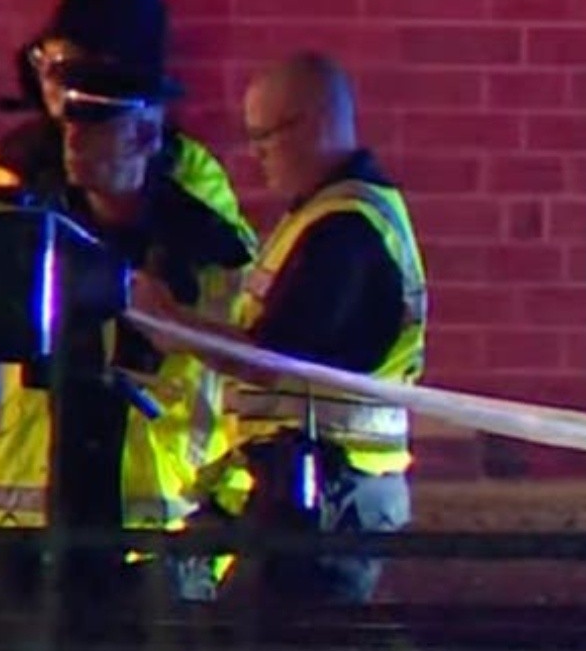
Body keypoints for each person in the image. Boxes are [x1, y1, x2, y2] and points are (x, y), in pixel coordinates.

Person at [0, 0, 254, 605]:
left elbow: (237, 362)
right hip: (8, 535)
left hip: (150, 534)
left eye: (85, 79)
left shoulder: (194, 200)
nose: (63, 96)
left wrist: (227, 505)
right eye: (53, 69)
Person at [133, 51, 427, 605]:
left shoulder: (344, 227)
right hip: (322, 484)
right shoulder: (330, 214)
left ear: (313, 123)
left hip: (329, 492)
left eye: (265, 136)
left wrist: (171, 324)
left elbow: (273, 359)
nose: (256, 155)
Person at [0, 0, 251, 254]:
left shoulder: (190, 172)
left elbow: (231, 286)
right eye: (43, 61)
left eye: (70, 69)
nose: (51, 81)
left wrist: (127, 205)